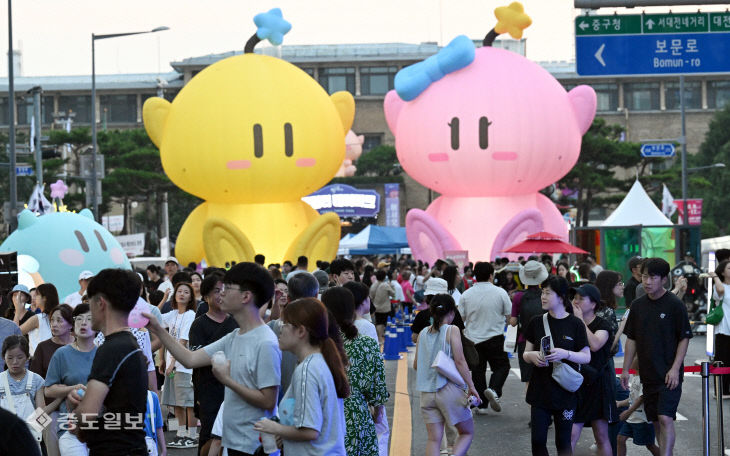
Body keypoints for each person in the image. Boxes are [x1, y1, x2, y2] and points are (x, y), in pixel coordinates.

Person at [143, 262, 282, 456]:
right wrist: (158, 329)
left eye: (227, 288)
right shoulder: (235, 335)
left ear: (246, 296)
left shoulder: (265, 341)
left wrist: (227, 380)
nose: (221, 293)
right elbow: (190, 359)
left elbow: (268, 401)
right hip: (232, 441)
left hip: (253, 446)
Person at [66, 269, 148, 456]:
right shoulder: (130, 343)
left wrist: (76, 409)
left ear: (100, 303)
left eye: (89, 302)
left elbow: (87, 414)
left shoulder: (111, 348)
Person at [253, 298, 348, 455]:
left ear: (301, 331)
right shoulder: (318, 362)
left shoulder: (307, 370)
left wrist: (274, 428)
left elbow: (310, 431)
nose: (280, 329)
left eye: (285, 324)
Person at [620, 258, 692, 456]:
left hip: (669, 373)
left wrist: (675, 368)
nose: (647, 281)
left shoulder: (675, 305)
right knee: (655, 421)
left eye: (652, 277)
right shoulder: (637, 305)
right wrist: (626, 370)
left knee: (665, 418)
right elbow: (631, 339)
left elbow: (684, 338)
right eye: (644, 276)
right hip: (647, 374)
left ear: (664, 279)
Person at [522, 275, 590, 456]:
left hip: (565, 392)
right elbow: (525, 353)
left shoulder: (575, 323)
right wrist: (532, 355)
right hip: (540, 391)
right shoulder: (536, 322)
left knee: (563, 441)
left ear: (561, 297)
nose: (543, 297)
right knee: (537, 441)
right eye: (542, 293)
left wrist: (565, 354)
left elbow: (586, 356)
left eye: (547, 293)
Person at [321, 287, 388, 456]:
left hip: (322, 415)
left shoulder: (318, 343)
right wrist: (378, 412)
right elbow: (377, 386)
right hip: (355, 414)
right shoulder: (365, 343)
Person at [413, 294, 479, 456]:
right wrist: (471, 386)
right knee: (466, 433)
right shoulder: (452, 330)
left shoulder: (422, 333)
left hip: (426, 394)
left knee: (434, 440)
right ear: (452, 312)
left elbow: (416, 365)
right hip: (448, 390)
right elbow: (460, 361)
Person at [188, 273, 238, 454]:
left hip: (235, 389)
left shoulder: (236, 322)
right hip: (209, 391)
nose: (221, 294)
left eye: (224, 290)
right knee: (210, 436)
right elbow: (195, 357)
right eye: (217, 290)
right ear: (206, 296)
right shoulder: (199, 325)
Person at [570, 284, 617, 456]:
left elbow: (595, 345)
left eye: (581, 299)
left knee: (601, 435)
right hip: (576, 382)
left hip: (598, 385)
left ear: (593, 304)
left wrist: (580, 320)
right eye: (575, 298)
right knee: (571, 434)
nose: (576, 301)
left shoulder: (602, 324)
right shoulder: (571, 322)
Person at [45, 303, 98, 456]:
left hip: (100, 425)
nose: (83, 323)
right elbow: (49, 390)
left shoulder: (104, 353)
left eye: (89, 319)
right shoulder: (61, 354)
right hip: (70, 426)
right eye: (79, 319)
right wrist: (72, 388)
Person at [459, 261, 511, 414]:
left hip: (473, 339)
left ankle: (481, 405)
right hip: (495, 336)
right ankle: (494, 389)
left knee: (478, 371)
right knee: (502, 366)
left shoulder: (466, 295)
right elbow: (509, 317)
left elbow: (460, 318)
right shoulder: (500, 292)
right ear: (490, 275)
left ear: (475, 275)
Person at [160, 282, 198, 449]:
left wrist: (173, 361)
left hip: (183, 366)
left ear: (191, 297)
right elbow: (155, 317)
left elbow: (183, 341)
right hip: (173, 366)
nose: (182, 294)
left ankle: (192, 435)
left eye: (186, 292)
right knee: (176, 401)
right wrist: (162, 299)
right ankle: (181, 434)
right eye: (179, 291)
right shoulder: (174, 314)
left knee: (187, 402)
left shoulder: (190, 314)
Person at [0, 335, 46, 447]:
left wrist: (34, 432)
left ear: (27, 357)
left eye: (20, 357)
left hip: (30, 437)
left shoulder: (36, 380)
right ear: (3, 357)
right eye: (10, 358)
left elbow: (41, 413)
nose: (15, 362)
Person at [509, 260, 548, 385]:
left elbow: (513, 322)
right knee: (544, 379)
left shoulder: (518, 297)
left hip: (524, 341)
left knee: (528, 380)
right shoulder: (546, 294)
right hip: (545, 340)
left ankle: (531, 405)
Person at [616, 359, 660, 456]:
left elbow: (641, 398)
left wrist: (628, 412)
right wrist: (620, 403)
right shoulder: (635, 377)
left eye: (634, 358)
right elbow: (633, 398)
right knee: (620, 438)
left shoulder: (645, 379)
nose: (631, 361)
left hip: (642, 419)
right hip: (632, 418)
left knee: (650, 445)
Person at [31, 303, 74, 379]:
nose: (54, 324)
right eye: (52, 320)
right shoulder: (42, 347)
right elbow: (34, 379)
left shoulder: (80, 345)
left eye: (59, 320)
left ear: (70, 324)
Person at [708, 259, 730, 397]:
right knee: (723, 361)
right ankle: (721, 390)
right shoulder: (719, 287)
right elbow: (721, 290)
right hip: (723, 330)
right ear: (722, 272)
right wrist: (715, 276)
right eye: (729, 268)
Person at [20, 283, 59, 358]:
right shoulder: (59, 317)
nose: (34, 298)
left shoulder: (38, 318)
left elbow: (15, 332)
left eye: (36, 295)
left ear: (44, 298)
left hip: (38, 361)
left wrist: (18, 310)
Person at [369, 270, 395, 344]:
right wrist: (391, 285)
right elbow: (393, 294)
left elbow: (371, 297)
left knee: (379, 323)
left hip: (376, 308)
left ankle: (379, 338)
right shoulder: (385, 285)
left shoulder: (373, 285)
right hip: (385, 308)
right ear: (384, 277)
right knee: (385, 323)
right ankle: (385, 338)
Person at [143, 390, 166, 456]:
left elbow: (158, 426)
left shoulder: (152, 397)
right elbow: (158, 426)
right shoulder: (151, 396)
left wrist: (164, 450)